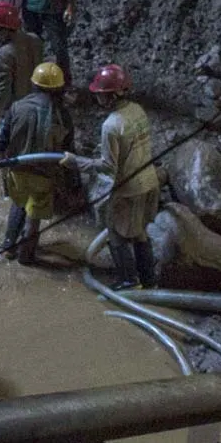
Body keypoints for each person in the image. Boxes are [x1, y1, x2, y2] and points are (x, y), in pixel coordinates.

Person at [71, 64, 160, 289]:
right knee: (139, 232)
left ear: (111, 95)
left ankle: (128, 281)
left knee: (115, 232)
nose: (98, 97)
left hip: (129, 188)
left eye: (100, 94)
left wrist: (77, 162)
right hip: (150, 181)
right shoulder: (137, 110)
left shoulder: (111, 125)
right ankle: (149, 280)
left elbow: (108, 166)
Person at [0, 60, 73, 266]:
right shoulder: (62, 115)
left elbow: (1, 140)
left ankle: (8, 247)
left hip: (17, 170)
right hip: (45, 174)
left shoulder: (17, 107)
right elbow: (68, 151)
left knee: (18, 204)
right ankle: (26, 257)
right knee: (34, 215)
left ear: (34, 84)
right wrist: (71, 183)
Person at [0, 0, 43, 131]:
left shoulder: (3, 55)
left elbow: (2, 93)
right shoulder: (35, 40)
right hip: (38, 103)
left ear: (2, 30)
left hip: (18, 110)